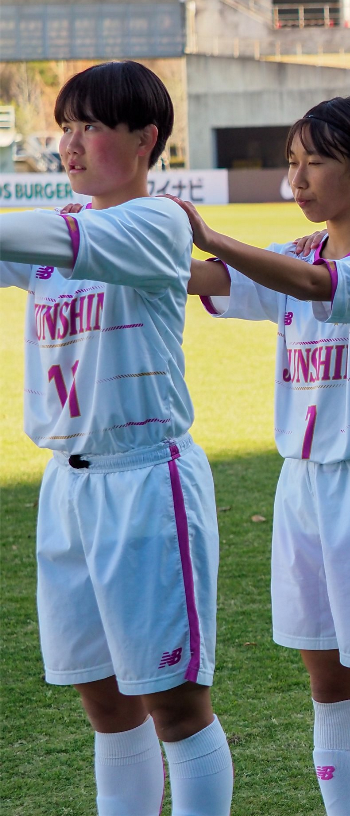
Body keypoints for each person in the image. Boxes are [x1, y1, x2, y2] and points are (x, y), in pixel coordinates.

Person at [177, 97, 350, 815]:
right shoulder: (299, 255)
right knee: (328, 686)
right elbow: (203, 280)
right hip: (302, 488)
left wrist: (214, 235)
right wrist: (135, 238)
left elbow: (319, 287)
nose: (294, 180)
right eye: (291, 163)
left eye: (313, 162)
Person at [0, 61, 233, 815]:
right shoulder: (62, 230)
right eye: (65, 126)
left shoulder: (154, 222)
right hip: (67, 485)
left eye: (90, 126)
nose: (70, 143)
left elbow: (59, 238)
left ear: (145, 138)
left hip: (145, 480)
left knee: (175, 706)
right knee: (104, 704)